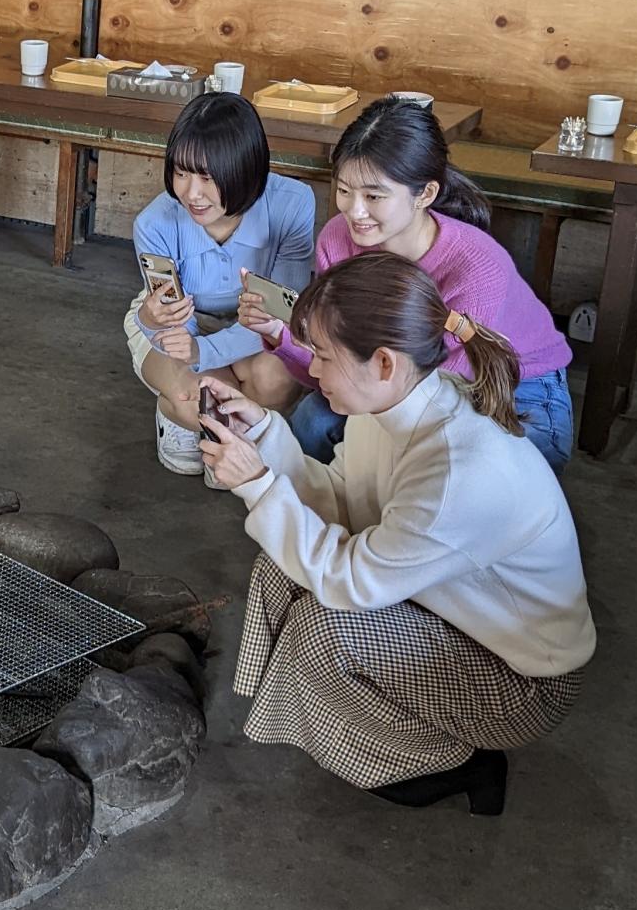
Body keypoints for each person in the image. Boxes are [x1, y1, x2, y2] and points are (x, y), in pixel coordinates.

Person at [199, 254, 595, 814]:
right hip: (462, 621)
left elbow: (350, 582)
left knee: (326, 624)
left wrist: (259, 485)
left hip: (522, 682)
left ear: (383, 363)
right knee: (281, 563)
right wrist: (263, 436)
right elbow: (344, 501)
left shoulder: (459, 470)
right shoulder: (394, 402)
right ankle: (355, 734)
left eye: (323, 356)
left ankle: (452, 759)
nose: (310, 370)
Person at [236, 97, 576, 471]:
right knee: (313, 424)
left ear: (425, 194)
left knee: (471, 472)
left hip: (514, 386)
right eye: (345, 190)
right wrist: (281, 336)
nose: (354, 210)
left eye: (374, 196)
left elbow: (434, 402)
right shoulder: (337, 240)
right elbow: (328, 371)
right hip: (389, 377)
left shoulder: (475, 267)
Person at [123, 92, 315, 482]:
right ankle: (191, 420)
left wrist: (206, 351)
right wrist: (153, 320)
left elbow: (282, 313)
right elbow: (175, 326)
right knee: (196, 397)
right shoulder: (155, 222)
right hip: (186, 329)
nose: (192, 193)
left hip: (258, 328)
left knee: (274, 379)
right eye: (181, 172)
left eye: (208, 177)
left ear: (246, 170)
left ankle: (223, 435)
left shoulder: (292, 204)